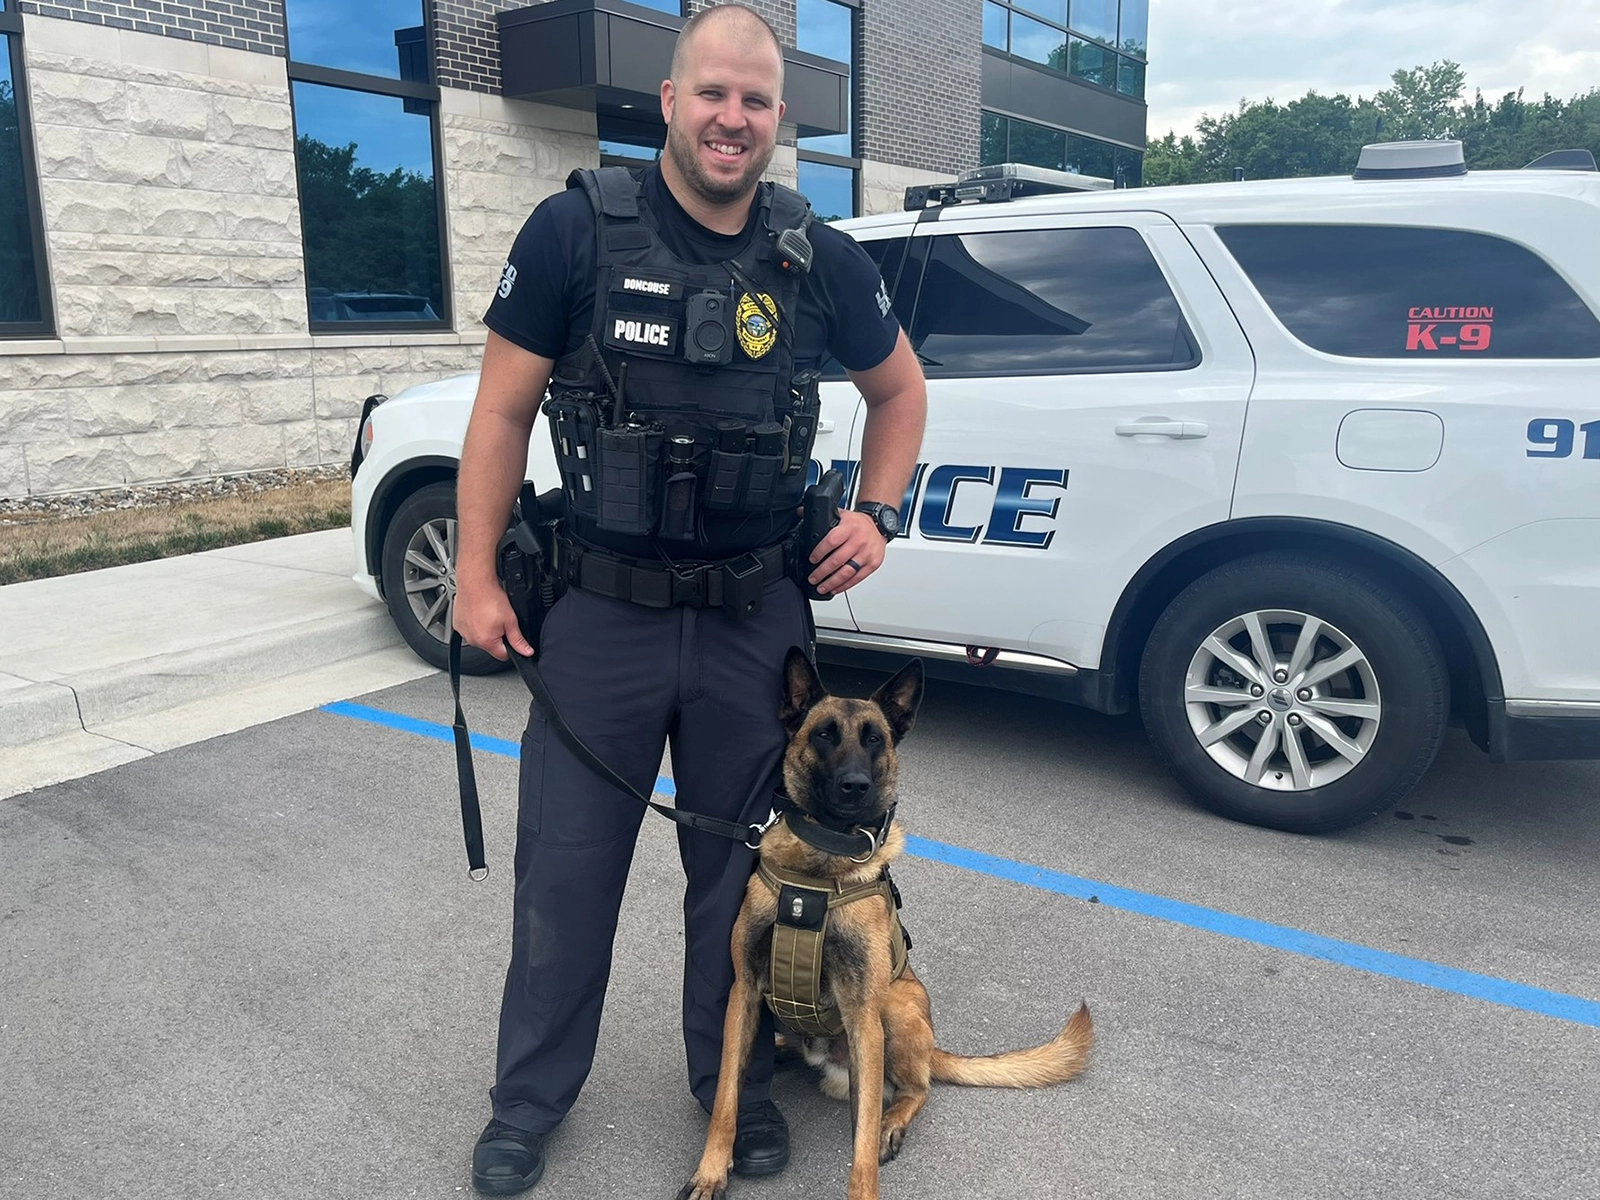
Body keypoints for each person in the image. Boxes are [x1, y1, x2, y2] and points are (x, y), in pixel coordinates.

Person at [451, 4, 927, 1194]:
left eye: (757, 101)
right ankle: (527, 1103)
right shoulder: (574, 231)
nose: (733, 119)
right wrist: (472, 571)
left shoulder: (819, 256)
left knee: (743, 881)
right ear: (667, 100)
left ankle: (736, 1091)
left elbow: (900, 393)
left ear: (780, 120)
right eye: (713, 94)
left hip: (753, 626)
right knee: (566, 867)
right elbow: (500, 415)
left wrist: (875, 514)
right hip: (600, 615)